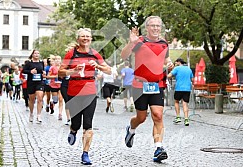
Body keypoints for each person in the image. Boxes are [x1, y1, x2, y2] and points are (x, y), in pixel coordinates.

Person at [121, 16, 174, 163]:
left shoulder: (164, 43)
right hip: (139, 85)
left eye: (158, 26)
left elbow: (166, 59)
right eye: (153, 26)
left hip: (157, 84)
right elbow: (124, 55)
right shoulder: (140, 41)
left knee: (158, 115)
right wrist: (130, 42)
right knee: (141, 118)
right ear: (147, 27)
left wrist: (169, 64)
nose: (156, 28)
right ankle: (131, 129)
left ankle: (159, 148)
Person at [58, 28, 111, 165]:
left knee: (88, 124)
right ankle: (73, 130)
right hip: (74, 91)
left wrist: (98, 66)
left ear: (91, 39)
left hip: (89, 91)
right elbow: (61, 72)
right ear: (78, 39)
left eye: (88, 36)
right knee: (76, 122)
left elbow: (109, 70)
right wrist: (72, 70)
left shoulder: (94, 54)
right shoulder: (71, 54)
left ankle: (85, 153)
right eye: (83, 36)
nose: (85, 38)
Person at [167, 58, 194, 126]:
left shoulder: (177, 68)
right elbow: (192, 79)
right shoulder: (188, 69)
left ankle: (178, 117)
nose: (175, 64)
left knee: (176, 102)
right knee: (185, 103)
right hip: (187, 88)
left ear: (179, 62)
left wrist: (170, 72)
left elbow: (169, 76)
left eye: (176, 63)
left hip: (179, 88)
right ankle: (186, 119)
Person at [23, 50, 45, 123]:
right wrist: (30, 71)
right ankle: (31, 113)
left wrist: (43, 73)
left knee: (40, 97)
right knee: (32, 100)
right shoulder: (29, 63)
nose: (36, 54)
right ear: (32, 54)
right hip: (31, 83)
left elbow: (42, 71)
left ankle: (39, 115)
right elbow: (23, 71)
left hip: (39, 82)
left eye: (38, 53)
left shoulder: (41, 63)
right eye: (35, 53)